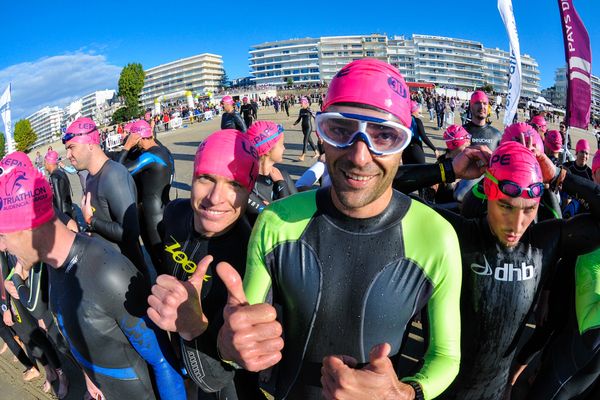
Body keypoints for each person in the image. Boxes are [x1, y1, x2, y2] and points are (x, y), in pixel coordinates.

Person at [216, 58, 463, 400]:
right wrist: (229, 344)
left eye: (385, 136)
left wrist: (404, 394)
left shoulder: (437, 237)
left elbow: (446, 357)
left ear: (404, 145)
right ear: (322, 135)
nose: (360, 156)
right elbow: (242, 346)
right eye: (341, 129)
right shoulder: (276, 222)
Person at [406, 139, 600, 399]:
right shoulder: (457, 233)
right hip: (439, 387)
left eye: (529, 210)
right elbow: (383, 193)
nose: (516, 225)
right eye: (506, 206)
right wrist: (447, 170)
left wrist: (558, 175)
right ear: (488, 190)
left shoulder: (544, 241)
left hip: (496, 393)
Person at [0, 165, 185, 400]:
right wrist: (89, 376)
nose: (3, 247)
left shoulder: (107, 273)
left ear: (28, 228)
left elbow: (162, 361)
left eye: (2, 236)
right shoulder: (53, 265)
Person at [148, 129, 263, 399]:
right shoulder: (175, 214)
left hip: (230, 377)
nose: (214, 198)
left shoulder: (253, 251)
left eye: (234, 185)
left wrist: (192, 329)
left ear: (248, 192)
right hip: (183, 348)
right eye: (206, 178)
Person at [62, 117, 148, 279]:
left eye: (71, 147)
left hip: (130, 276)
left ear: (89, 143)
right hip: (110, 271)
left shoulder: (114, 175)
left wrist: (91, 221)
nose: (68, 155)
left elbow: (130, 233)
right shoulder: (90, 177)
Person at [118, 120, 175, 271]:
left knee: (159, 258)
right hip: (165, 207)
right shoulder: (163, 150)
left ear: (140, 138)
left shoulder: (150, 157)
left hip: (152, 215)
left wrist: (126, 147)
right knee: (168, 255)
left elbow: (119, 172)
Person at [245, 121, 297, 223]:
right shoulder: (249, 187)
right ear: (268, 150)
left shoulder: (283, 175)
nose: (284, 148)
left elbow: (298, 213)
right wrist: (281, 186)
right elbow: (281, 221)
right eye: (281, 144)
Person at [433, 125, 471, 205]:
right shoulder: (440, 165)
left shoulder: (469, 162)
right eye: (466, 142)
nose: (469, 143)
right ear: (455, 144)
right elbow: (429, 197)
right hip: (444, 210)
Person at [402, 100, 439, 165]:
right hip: (416, 149)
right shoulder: (417, 121)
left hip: (405, 151)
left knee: (407, 173)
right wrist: (434, 149)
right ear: (414, 110)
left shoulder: (403, 120)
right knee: (421, 172)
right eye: (417, 110)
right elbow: (423, 136)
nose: (418, 112)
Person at [44, 150, 74, 220]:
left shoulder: (54, 177)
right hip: (69, 208)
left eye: (45, 162)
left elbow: (58, 197)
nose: (44, 164)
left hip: (62, 211)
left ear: (49, 162)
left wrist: (60, 217)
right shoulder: (61, 172)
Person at [293, 96, 319, 161]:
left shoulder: (309, 110)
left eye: (301, 103)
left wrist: (319, 124)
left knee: (305, 140)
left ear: (305, 103)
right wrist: (294, 124)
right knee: (310, 140)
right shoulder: (301, 110)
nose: (300, 104)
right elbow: (299, 119)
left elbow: (316, 116)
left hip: (308, 127)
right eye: (300, 103)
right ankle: (316, 152)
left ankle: (303, 155)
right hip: (303, 127)